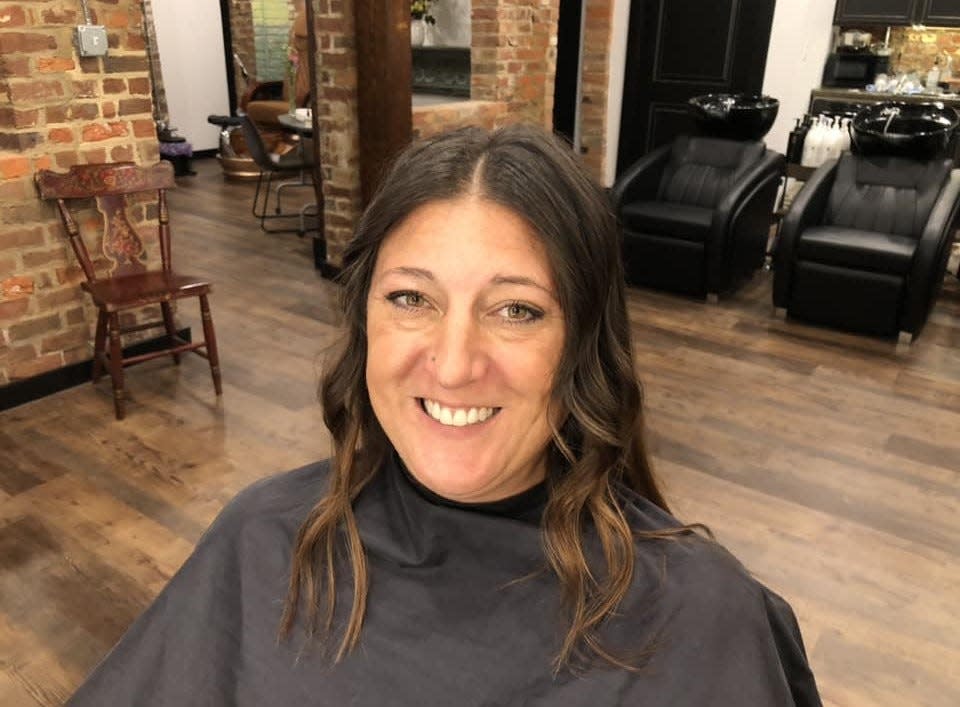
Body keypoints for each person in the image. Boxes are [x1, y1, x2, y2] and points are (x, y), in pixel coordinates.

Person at [67, 125, 821, 706]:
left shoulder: (698, 613)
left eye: (516, 309)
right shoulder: (262, 540)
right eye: (410, 298)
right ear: (364, 323)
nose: (454, 362)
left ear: (585, 343)